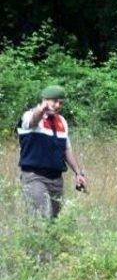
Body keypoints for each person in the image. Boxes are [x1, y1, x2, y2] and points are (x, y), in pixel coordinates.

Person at [17, 85, 88, 219]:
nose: (57, 105)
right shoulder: (29, 115)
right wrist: (41, 109)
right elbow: (33, 122)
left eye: (60, 102)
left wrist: (78, 173)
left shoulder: (62, 121)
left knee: (55, 222)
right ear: (44, 100)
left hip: (56, 179)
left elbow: (66, 149)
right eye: (54, 101)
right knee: (40, 216)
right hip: (34, 177)